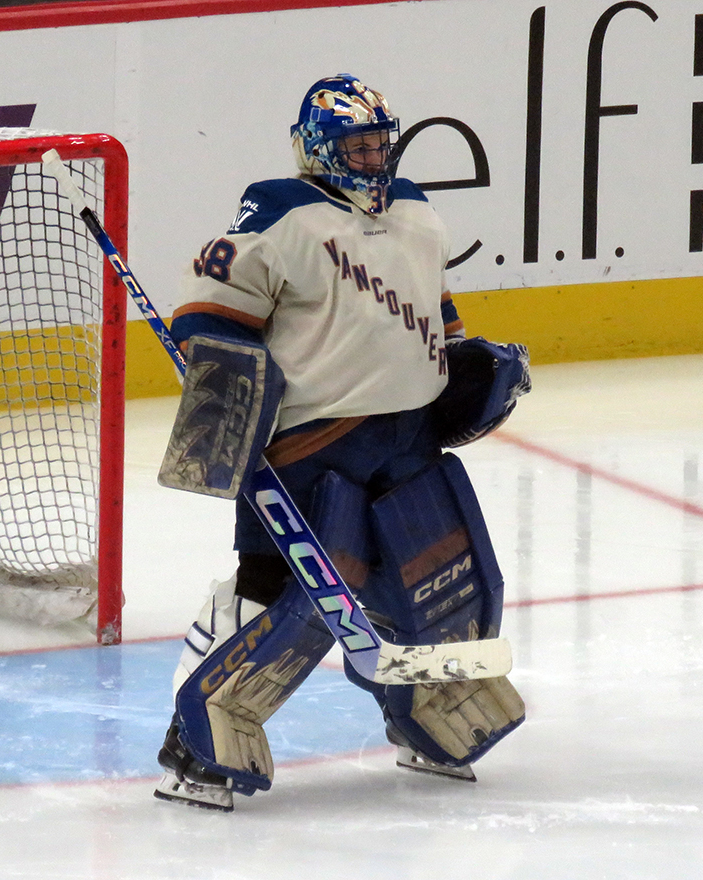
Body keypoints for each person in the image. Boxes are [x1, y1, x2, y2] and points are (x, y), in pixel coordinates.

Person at [153, 74, 530, 812]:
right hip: (310, 447)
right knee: (278, 599)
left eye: (381, 141)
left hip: (409, 437)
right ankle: (193, 743)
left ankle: (426, 724)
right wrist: (228, 391)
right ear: (320, 146)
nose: (374, 155)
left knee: (428, 587)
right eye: (358, 143)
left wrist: (459, 361)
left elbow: (435, 303)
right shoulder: (279, 211)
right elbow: (208, 316)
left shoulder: (417, 210)